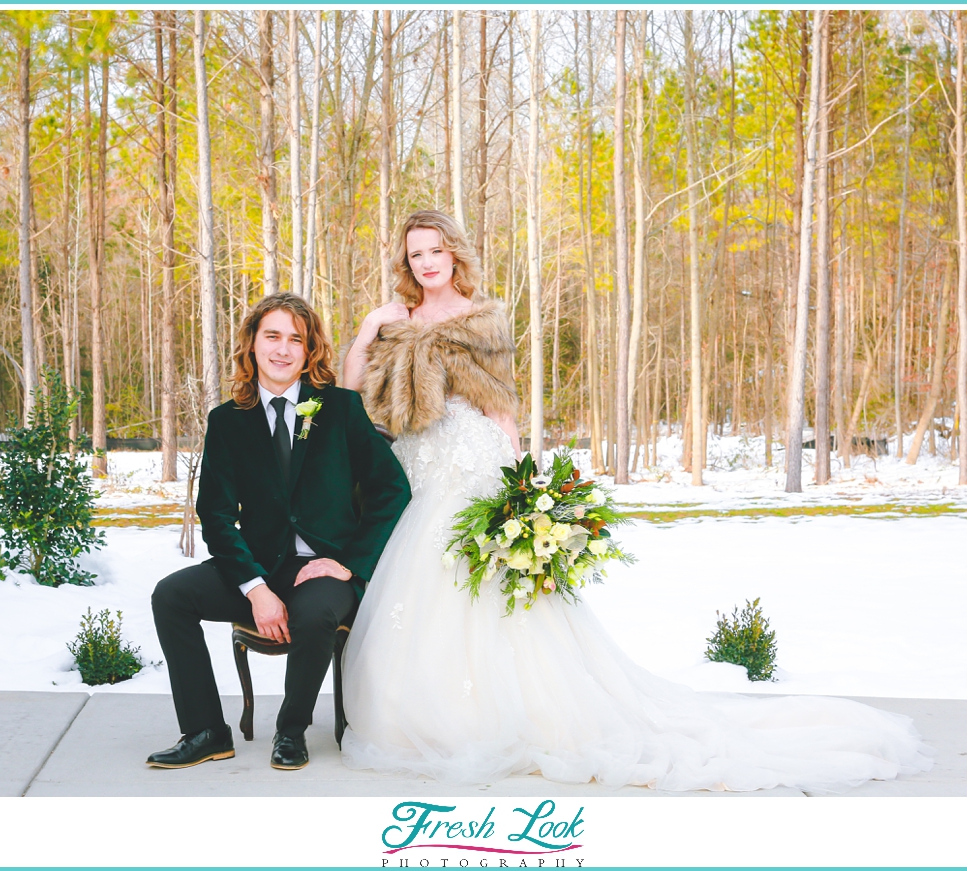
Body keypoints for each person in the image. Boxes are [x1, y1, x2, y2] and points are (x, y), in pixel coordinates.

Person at [339, 210, 935, 792]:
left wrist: (524, 477)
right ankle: (427, 711)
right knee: (417, 583)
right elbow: (349, 391)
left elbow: (500, 405)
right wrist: (369, 329)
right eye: (415, 254)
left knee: (484, 587)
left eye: (434, 251)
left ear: (454, 254)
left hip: (473, 462)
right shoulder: (397, 318)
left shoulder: (483, 318)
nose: (425, 264)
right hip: (417, 465)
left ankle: (508, 715)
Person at [148, 293, 410, 771]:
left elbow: (393, 490)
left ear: (310, 352)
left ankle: (291, 732)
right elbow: (217, 515)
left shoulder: (341, 409)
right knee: (170, 595)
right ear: (252, 344)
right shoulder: (227, 421)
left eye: (297, 339)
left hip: (326, 568)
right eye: (272, 336)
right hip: (261, 564)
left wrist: (350, 563)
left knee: (313, 615)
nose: (283, 349)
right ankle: (206, 730)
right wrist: (255, 588)